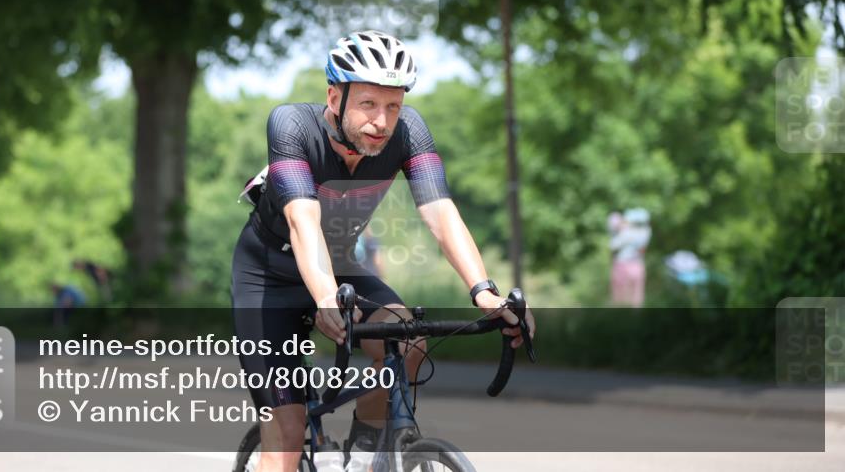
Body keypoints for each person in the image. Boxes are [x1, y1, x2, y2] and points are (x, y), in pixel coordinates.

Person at [231, 30, 535, 472]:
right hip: (269, 276)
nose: (383, 120)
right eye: (368, 104)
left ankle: (363, 454)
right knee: (287, 434)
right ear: (335, 98)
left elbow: (441, 213)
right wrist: (324, 296)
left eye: (393, 105)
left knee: (409, 338)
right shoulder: (292, 126)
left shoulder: (409, 132)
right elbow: (302, 221)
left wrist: (484, 291)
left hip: (336, 268)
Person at [608, 208, 652, 307]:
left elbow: (613, 245)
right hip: (638, 264)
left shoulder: (627, 233)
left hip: (623, 264)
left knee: (620, 296)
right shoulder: (647, 231)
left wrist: (617, 230)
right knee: (637, 295)